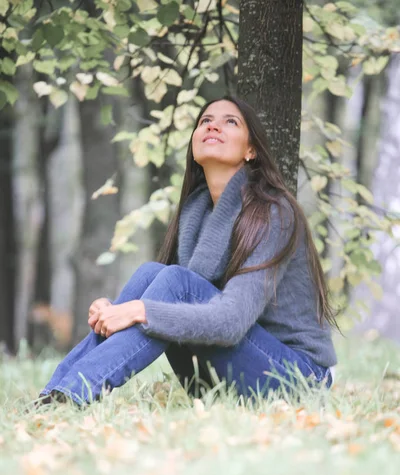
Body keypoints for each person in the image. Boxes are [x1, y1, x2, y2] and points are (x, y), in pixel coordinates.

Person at [38, 96, 337, 407]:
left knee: (175, 284)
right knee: (153, 274)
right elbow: (168, 294)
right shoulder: (195, 212)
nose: (213, 126)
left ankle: (72, 395)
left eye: (230, 122)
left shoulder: (274, 213)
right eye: (205, 121)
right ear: (194, 144)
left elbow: (229, 322)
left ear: (251, 150)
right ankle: (56, 393)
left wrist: (138, 311)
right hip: (231, 368)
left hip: (298, 380)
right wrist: (113, 311)